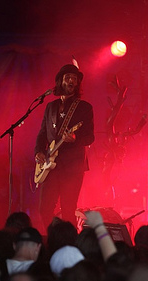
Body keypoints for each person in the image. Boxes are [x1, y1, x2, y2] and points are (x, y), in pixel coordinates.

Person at [34, 64, 95, 229]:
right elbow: (42, 133)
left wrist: (75, 138)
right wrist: (39, 151)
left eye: (74, 79)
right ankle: (52, 239)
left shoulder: (84, 107)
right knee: (44, 209)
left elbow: (90, 137)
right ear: (60, 81)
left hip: (72, 166)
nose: (71, 81)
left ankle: (69, 245)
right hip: (50, 165)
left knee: (68, 209)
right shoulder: (50, 107)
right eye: (68, 77)